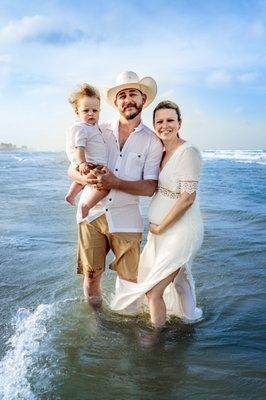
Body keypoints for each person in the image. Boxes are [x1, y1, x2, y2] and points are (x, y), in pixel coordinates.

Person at [68, 71, 163, 306]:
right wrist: (85, 179)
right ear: (116, 102)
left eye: (133, 94)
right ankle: (96, 325)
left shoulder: (152, 141)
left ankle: (126, 330)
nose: (128, 99)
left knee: (130, 281)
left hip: (127, 221)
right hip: (91, 216)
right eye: (122, 95)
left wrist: (115, 183)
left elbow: (150, 187)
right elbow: (72, 169)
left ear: (143, 100)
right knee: (91, 278)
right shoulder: (97, 129)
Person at [111, 100, 204, 329]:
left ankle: (154, 340)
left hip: (180, 230)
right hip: (161, 231)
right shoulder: (162, 151)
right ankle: (190, 321)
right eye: (159, 121)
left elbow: (187, 198)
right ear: (154, 125)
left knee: (153, 291)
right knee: (180, 280)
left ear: (179, 123)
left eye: (170, 120)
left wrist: (162, 227)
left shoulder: (188, 151)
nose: (165, 125)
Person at [65, 83, 109, 218]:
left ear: (99, 111)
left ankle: (71, 195)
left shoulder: (94, 126)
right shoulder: (82, 128)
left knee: (81, 181)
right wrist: (82, 162)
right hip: (91, 162)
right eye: (86, 111)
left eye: (94, 111)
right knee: (105, 186)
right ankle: (86, 205)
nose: (91, 113)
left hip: (92, 162)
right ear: (77, 112)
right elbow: (80, 147)